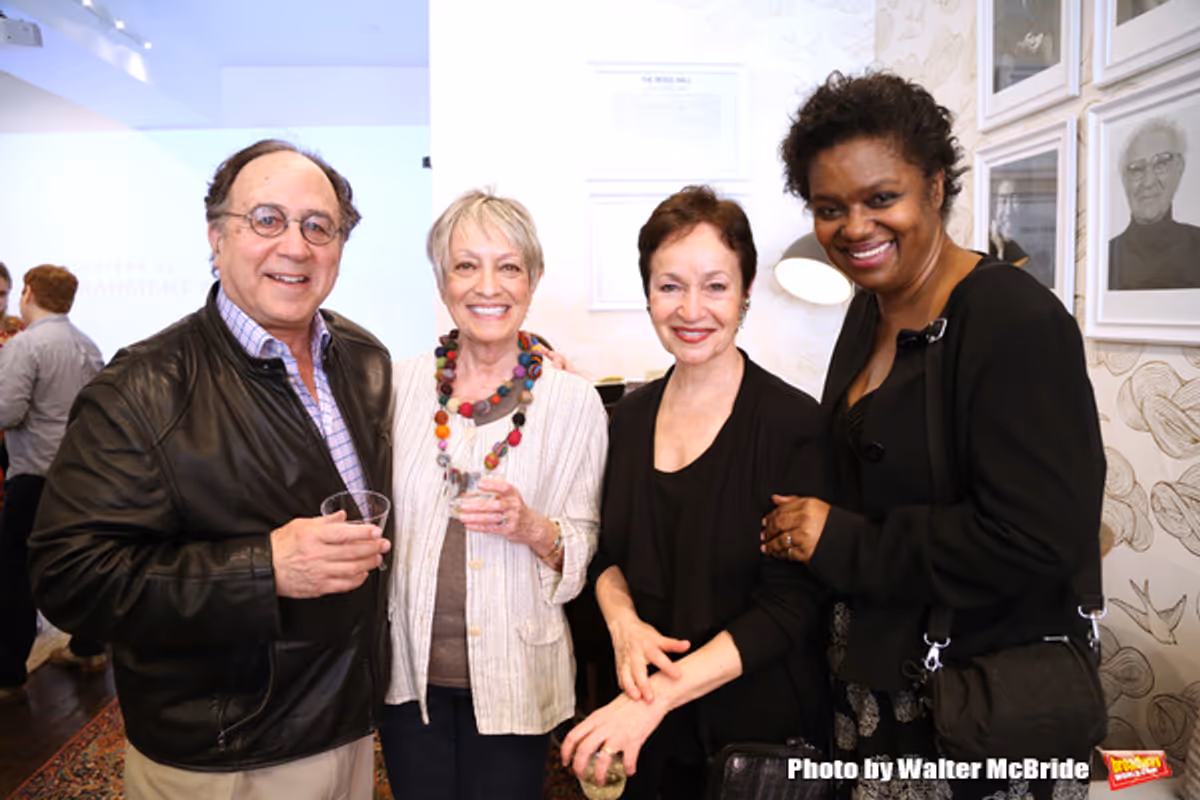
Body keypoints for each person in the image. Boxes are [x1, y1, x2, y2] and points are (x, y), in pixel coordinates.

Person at [767, 72, 1104, 798]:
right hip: (876, 693)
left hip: (978, 712)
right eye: (830, 208)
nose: (854, 228)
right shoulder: (869, 309)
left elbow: (1039, 538)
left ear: (936, 186)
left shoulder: (1014, 321)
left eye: (880, 198)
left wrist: (842, 541)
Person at [28, 139, 393, 799]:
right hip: (227, 755)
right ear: (216, 237)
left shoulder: (363, 359)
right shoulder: (143, 389)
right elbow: (70, 578)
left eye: (319, 226)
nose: (295, 245)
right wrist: (265, 570)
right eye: (267, 219)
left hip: (347, 724)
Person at [560, 186, 831, 799]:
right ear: (648, 293)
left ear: (745, 293)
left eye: (715, 285)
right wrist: (623, 622)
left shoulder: (794, 426)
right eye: (670, 285)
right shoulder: (627, 420)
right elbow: (607, 555)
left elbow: (791, 607)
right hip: (643, 734)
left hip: (752, 744)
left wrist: (657, 698)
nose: (691, 309)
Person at [381, 188, 607, 799]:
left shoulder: (572, 402)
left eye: (508, 266)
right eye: (466, 265)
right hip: (409, 674)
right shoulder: (395, 386)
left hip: (515, 673)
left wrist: (533, 527)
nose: (489, 286)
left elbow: (585, 540)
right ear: (441, 280)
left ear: (532, 280)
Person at [0, 265, 104, 701]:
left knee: (13, 573)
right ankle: (89, 646)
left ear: (27, 292)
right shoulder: (88, 346)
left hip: (34, 477)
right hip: (79, 478)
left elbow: (6, 412)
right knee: (80, 563)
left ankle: (7, 672)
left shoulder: (25, 345)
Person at [1108, 118, 1200, 291]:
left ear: (1179, 169)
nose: (1148, 181)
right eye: (1136, 169)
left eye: (1161, 163)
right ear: (1124, 180)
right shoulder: (1107, 257)